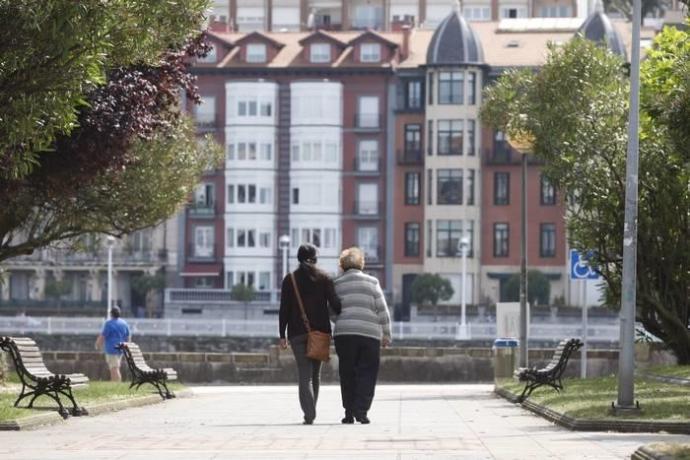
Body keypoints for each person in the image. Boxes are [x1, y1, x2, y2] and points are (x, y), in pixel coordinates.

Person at [279, 243, 341, 425]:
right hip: (320, 333)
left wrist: (282, 335)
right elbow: (336, 305)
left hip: (297, 333)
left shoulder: (289, 279)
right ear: (315, 259)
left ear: (298, 259)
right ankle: (310, 410)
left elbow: (284, 309)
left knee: (304, 376)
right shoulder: (325, 278)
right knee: (315, 375)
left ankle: (309, 413)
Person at [333, 247, 391, 424]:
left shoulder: (337, 283)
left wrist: (342, 320)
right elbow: (382, 309)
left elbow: (330, 311)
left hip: (344, 334)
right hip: (369, 333)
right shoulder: (372, 282)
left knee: (347, 372)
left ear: (342, 265)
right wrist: (386, 333)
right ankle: (362, 412)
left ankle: (349, 412)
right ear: (361, 264)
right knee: (367, 372)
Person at [95, 306, 130, 382]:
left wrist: (98, 345)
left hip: (111, 349)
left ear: (111, 314)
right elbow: (127, 337)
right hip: (120, 349)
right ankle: (113, 383)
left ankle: (117, 384)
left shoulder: (109, 324)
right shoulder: (124, 323)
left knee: (114, 368)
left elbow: (103, 336)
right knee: (115, 367)